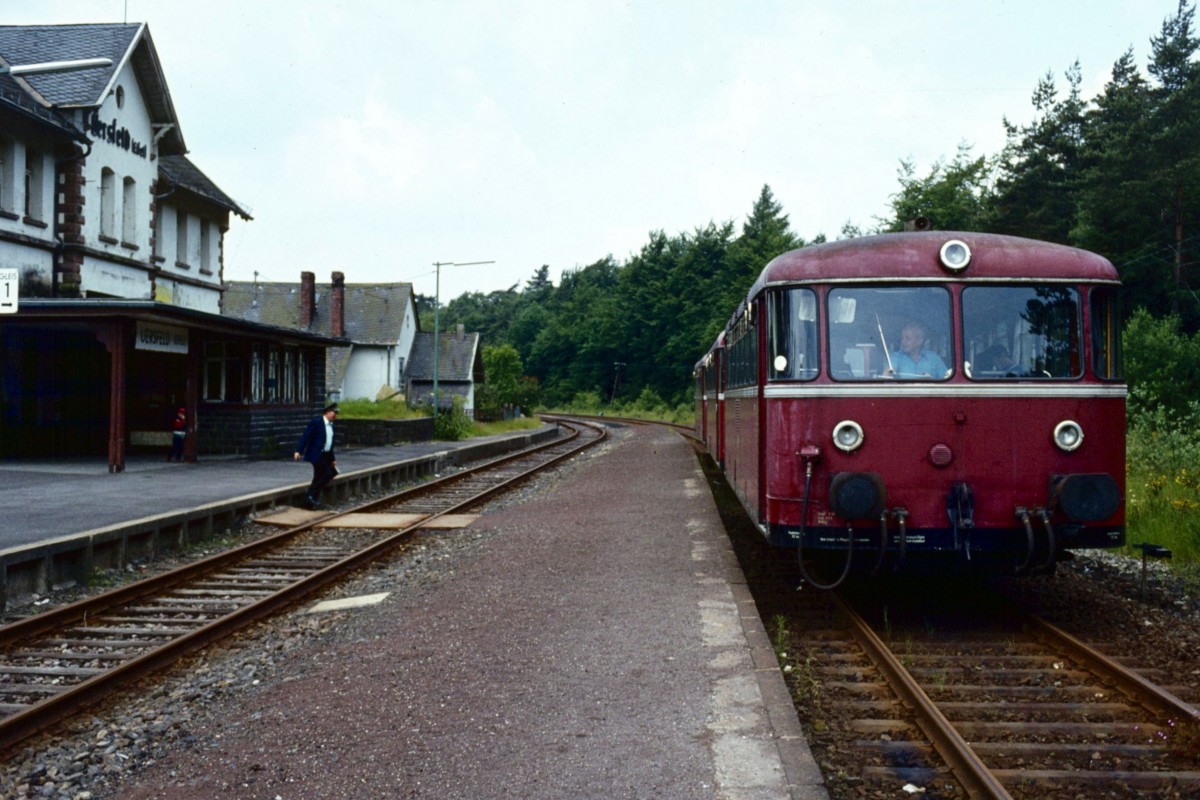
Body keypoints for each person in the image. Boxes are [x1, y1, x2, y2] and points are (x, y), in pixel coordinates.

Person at [294, 403, 339, 509]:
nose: (336, 415)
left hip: (327, 455)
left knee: (320, 476)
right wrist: (298, 450)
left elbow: (329, 443)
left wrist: (333, 459)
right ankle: (311, 496)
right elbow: (306, 436)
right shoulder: (316, 422)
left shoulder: (331, 425)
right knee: (326, 474)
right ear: (327, 412)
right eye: (334, 412)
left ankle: (308, 501)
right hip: (316, 454)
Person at [884, 321, 948, 378]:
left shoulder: (933, 358)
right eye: (902, 338)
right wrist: (889, 372)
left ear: (919, 341)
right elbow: (888, 374)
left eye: (907, 338)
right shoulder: (896, 357)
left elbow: (946, 378)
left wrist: (931, 380)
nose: (903, 342)